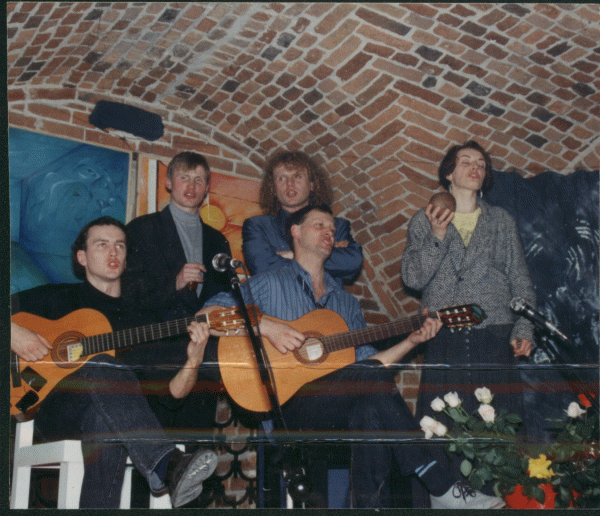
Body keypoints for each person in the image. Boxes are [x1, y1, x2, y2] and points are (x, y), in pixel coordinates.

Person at [202, 205, 505, 509]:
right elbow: (207, 315)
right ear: (296, 232)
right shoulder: (270, 282)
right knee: (369, 392)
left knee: (370, 408)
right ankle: (439, 484)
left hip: (335, 414)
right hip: (287, 412)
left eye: (332, 229)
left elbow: (371, 367)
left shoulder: (346, 303)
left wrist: (410, 341)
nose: (329, 232)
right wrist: (268, 327)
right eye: (319, 225)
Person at [10, 217, 217, 508]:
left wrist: (193, 360)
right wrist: (14, 333)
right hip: (48, 405)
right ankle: (165, 462)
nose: (113, 252)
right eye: (102, 244)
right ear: (82, 257)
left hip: (110, 414)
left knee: (105, 420)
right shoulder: (58, 296)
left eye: (120, 245)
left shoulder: (141, 321)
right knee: (103, 365)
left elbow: (173, 394)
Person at [401, 141, 536, 504]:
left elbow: (520, 279)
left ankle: (500, 501)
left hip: (494, 335)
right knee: (442, 428)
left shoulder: (501, 221)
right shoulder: (423, 220)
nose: (475, 167)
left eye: (481, 163)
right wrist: (437, 235)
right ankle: (444, 499)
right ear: (449, 172)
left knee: (498, 429)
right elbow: (413, 277)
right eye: (466, 162)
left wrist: (524, 328)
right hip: (444, 338)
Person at [122, 151, 232, 431]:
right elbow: (127, 293)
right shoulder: (141, 229)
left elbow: (225, 297)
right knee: (154, 447)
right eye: (184, 178)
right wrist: (175, 283)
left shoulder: (218, 240)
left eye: (199, 180)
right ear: (169, 182)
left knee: (197, 445)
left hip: (204, 357)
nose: (192, 186)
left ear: (207, 188)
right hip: (155, 356)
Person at [242, 150, 363, 284]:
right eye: (282, 178)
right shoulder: (258, 226)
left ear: (312, 185)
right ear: (273, 189)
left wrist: (290, 255)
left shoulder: (337, 226)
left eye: (297, 176)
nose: (289, 183)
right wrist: (324, 254)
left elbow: (353, 262)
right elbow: (263, 267)